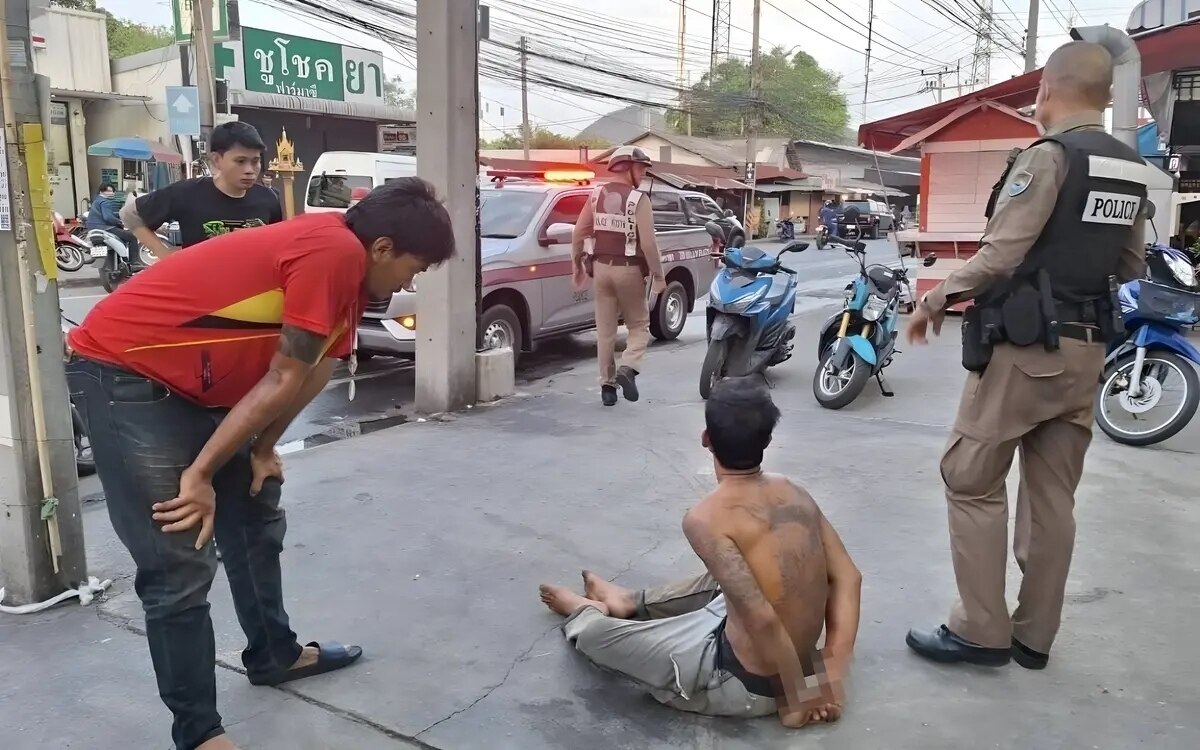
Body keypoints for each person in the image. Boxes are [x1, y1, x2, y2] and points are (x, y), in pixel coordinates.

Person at [66, 178, 456, 750]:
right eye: (413, 268)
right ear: (383, 248)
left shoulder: (349, 269)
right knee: (178, 559)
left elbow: (318, 366)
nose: (411, 282)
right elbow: (282, 375)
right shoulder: (333, 252)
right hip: (125, 376)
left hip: (201, 388)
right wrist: (199, 475)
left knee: (254, 513)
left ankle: (274, 653)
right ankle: (199, 734)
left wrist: (264, 448)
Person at [904, 41, 1149, 669]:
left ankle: (981, 631)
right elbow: (1130, 264)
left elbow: (1001, 254)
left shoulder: (1048, 158)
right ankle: (1034, 637)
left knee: (971, 478)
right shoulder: (1127, 165)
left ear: (1047, 89)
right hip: (1087, 353)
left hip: (1026, 352)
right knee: (1052, 499)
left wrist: (935, 301)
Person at [538, 377, 862, 726]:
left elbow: (763, 619)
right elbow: (849, 577)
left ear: (706, 439)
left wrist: (797, 698)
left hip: (748, 683)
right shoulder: (795, 492)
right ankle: (629, 602)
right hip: (794, 661)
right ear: (768, 440)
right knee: (736, 572)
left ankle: (586, 612)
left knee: (598, 637)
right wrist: (831, 674)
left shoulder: (705, 519)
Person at [571, 145, 666, 406]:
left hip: (601, 270)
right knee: (638, 326)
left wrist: (577, 267)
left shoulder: (595, 195)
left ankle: (608, 388)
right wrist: (659, 277)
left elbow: (578, 233)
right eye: (642, 168)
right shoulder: (639, 200)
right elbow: (648, 244)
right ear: (627, 167)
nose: (644, 173)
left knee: (605, 332)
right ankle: (629, 368)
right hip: (629, 271)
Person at [122, 121, 284, 259]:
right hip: (199, 288)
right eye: (240, 161)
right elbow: (129, 214)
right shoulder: (187, 193)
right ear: (216, 160)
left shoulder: (268, 199)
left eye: (255, 161)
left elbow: (277, 244)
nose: (250, 170)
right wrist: (164, 254)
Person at [86, 182, 144, 270]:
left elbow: (108, 214)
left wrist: (120, 215)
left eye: (112, 191)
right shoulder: (105, 202)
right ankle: (134, 262)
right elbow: (108, 217)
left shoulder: (96, 201)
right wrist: (120, 222)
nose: (111, 193)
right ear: (101, 192)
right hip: (105, 228)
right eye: (108, 191)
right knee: (132, 237)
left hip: (93, 229)